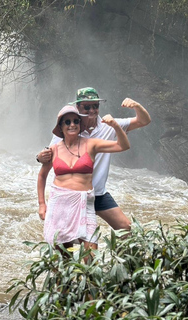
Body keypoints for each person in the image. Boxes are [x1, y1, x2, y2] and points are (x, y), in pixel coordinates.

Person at [37, 87, 151, 232]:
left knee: (126, 228)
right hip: (71, 196)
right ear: (77, 107)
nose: (92, 110)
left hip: (98, 194)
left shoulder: (108, 125)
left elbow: (143, 121)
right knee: (66, 240)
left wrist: (136, 106)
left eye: (95, 106)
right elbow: (49, 156)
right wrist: (39, 157)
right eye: (86, 107)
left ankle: (116, 255)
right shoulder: (68, 128)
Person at [37, 105, 130, 251]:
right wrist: (42, 204)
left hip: (84, 202)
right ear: (61, 127)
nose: (72, 125)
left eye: (76, 121)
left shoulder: (91, 144)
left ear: (80, 124)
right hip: (60, 204)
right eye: (67, 122)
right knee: (62, 255)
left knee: (91, 254)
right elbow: (42, 175)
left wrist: (115, 126)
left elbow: (122, 146)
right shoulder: (53, 149)